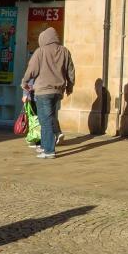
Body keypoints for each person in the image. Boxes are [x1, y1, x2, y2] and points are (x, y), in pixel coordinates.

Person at [21, 27, 75, 159]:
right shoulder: (65, 51)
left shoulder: (40, 52)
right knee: (49, 117)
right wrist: (70, 86)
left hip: (43, 91)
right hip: (58, 91)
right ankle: (45, 146)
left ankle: (49, 150)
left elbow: (31, 70)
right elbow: (71, 71)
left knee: (45, 120)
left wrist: (24, 82)